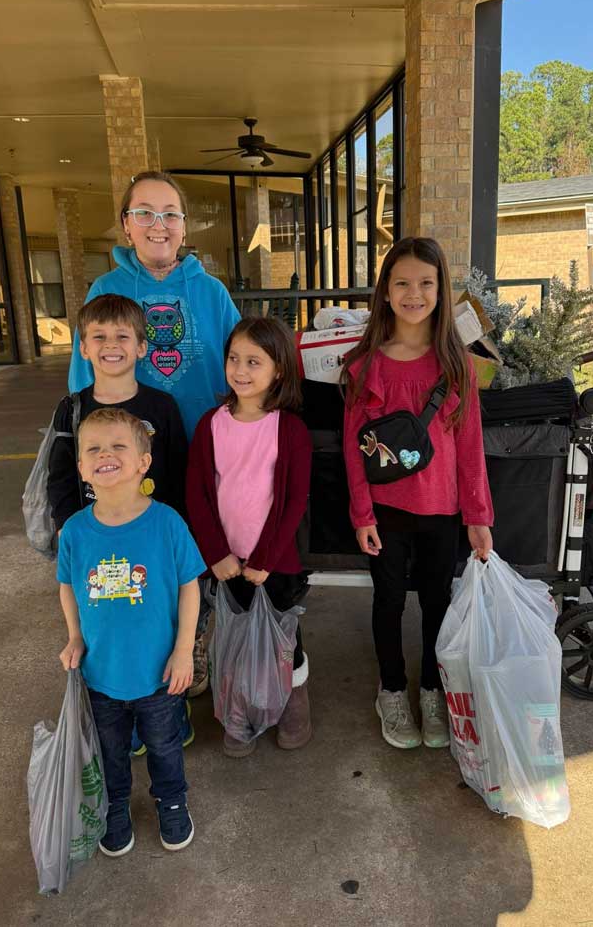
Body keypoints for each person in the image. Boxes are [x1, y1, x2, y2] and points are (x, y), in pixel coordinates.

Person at [68, 170, 240, 698]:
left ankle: (193, 650)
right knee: (138, 566)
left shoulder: (209, 292)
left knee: (192, 558)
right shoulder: (107, 290)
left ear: (185, 227)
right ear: (126, 224)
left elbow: (239, 366)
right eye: (144, 212)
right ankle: (144, 667)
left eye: (169, 213)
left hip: (197, 458)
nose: (157, 224)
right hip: (124, 463)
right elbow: (84, 382)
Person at [341, 237, 493, 752]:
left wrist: (477, 516)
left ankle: (431, 688)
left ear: (441, 290)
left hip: (442, 513)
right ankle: (390, 689)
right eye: (401, 282)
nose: (413, 293)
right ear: (384, 291)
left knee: (436, 602)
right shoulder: (364, 366)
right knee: (387, 602)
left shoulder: (458, 365)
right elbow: (353, 450)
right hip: (385, 513)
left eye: (425, 283)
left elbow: (470, 448)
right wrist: (362, 514)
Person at [58, 407, 205, 856]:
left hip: (159, 672)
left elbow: (189, 587)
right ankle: (115, 805)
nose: (106, 454)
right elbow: (67, 586)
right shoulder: (75, 532)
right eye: (94, 448)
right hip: (101, 674)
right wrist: (75, 637)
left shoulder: (167, 523)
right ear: (82, 466)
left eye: (119, 445)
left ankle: (171, 799)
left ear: (143, 462)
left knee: (164, 745)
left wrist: (184, 651)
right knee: (110, 750)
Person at [186, 317, 313, 758]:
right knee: (235, 636)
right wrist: (217, 554)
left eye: (253, 361)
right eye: (234, 359)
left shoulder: (290, 430)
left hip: (277, 562)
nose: (240, 369)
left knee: (285, 639)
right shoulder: (211, 425)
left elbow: (295, 499)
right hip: (228, 561)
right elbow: (196, 494)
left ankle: (293, 701)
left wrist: (266, 558)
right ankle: (239, 707)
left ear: (279, 369)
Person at [48, 294, 187, 529]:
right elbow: (61, 479)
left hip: (155, 531)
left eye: (122, 336)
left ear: (141, 347)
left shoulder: (163, 406)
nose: (111, 345)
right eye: (99, 337)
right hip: (94, 533)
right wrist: (66, 527)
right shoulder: (72, 410)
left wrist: (179, 528)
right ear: (83, 348)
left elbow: (180, 473)